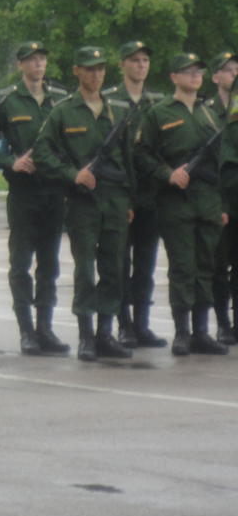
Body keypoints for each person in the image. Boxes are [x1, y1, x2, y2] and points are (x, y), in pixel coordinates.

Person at [33, 47, 134, 360]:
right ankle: (86, 336)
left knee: (114, 268)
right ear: (77, 71)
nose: (96, 74)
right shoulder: (64, 111)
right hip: (83, 203)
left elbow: (129, 160)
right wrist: (73, 175)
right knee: (86, 271)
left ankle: (106, 333)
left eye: (101, 68)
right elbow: (42, 152)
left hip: (115, 199)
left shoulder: (118, 110)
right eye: (90, 69)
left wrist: (130, 199)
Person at [133, 52, 229, 356]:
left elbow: (224, 162)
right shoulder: (159, 113)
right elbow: (142, 154)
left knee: (207, 267)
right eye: (187, 72)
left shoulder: (211, 113)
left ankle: (202, 330)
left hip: (208, 200)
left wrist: (223, 204)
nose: (194, 76)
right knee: (182, 267)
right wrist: (167, 174)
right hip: (176, 202)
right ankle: (183, 332)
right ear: (174, 77)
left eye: (198, 71)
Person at [0, 42, 70, 355]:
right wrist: (10, 162)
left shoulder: (60, 101)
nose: (38, 64)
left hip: (53, 189)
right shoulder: (8, 101)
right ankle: (26, 330)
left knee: (49, 264)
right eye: (31, 60)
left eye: (42, 59)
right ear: (20, 65)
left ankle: (45, 327)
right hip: (23, 191)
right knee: (21, 264)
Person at [104, 41, 166, 347]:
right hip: (118, 191)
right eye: (134, 60)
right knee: (118, 261)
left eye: (145, 60)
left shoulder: (158, 102)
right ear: (123, 64)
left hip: (150, 191)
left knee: (146, 262)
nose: (141, 65)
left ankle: (141, 323)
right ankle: (123, 324)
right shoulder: (110, 100)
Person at [206, 51, 238, 344]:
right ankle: (222, 323)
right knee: (218, 265)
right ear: (216, 77)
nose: (234, 74)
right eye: (228, 70)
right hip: (218, 198)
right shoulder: (206, 111)